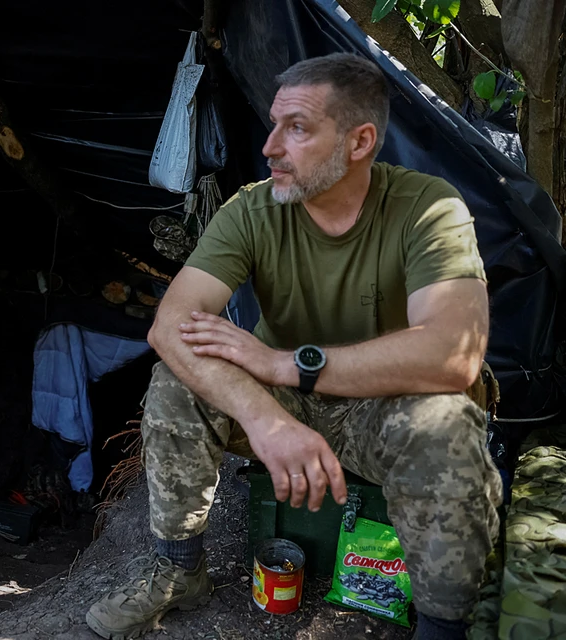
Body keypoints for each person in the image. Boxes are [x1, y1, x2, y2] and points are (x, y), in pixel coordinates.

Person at [85, 53, 501, 640]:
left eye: (297, 128)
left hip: (379, 406)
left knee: (447, 423)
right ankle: (179, 571)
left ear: (360, 142)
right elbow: (170, 325)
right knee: (176, 380)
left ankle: (442, 624)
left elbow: (454, 356)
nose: (270, 147)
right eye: (274, 124)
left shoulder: (428, 207)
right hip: (281, 401)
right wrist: (266, 419)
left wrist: (287, 364)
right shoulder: (253, 208)